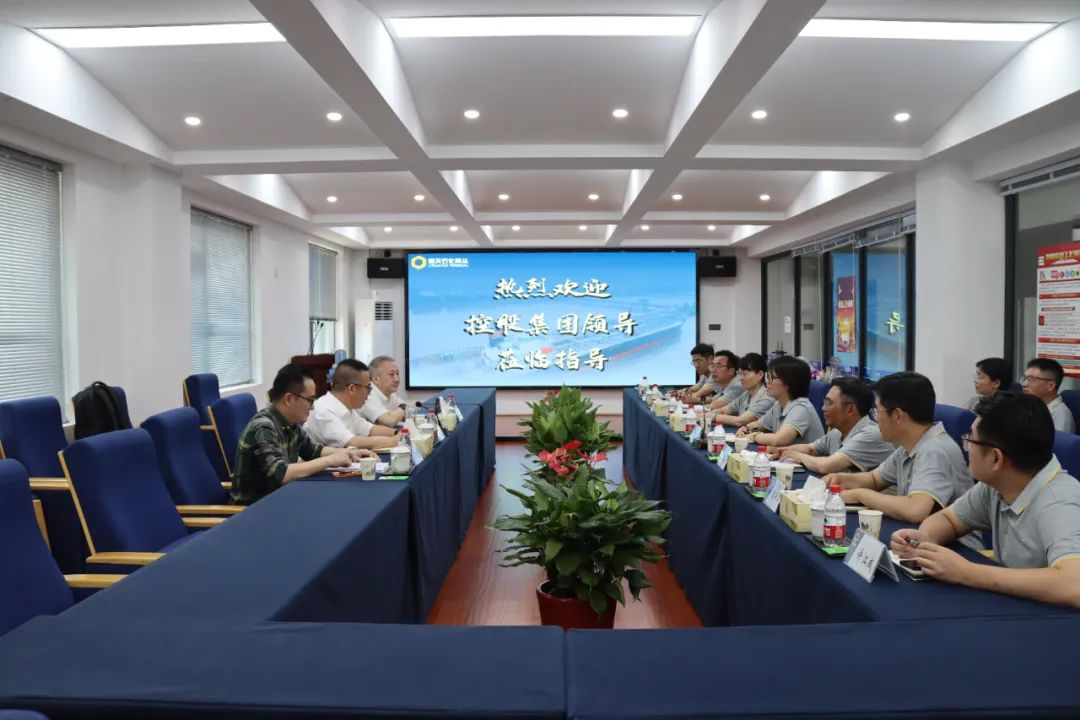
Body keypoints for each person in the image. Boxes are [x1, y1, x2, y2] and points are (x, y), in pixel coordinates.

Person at [892, 393, 1080, 607]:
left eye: (970, 440)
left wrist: (967, 572)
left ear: (995, 458)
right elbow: (949, 519)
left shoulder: (1059, 503)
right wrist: (924, 540)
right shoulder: (997, 483)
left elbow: (1074, 584)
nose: (966, 447)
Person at [824, 372, 972, 524]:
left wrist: (860, 495)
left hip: (949, 539)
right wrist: (840, 479)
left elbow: (915, 510)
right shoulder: (909, 446)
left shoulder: (934, 450)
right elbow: (874, 479)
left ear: (898, 415)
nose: (876, 418)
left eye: (877, 411)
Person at [231, 364, 375, 505]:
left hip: (281, 498)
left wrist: (349, 452)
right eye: (310, 400)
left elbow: (312, 450)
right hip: (255, 508)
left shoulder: (290, 422)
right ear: (289, 399)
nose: (312, 407)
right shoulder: (263, 427)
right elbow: (281, 474)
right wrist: (330, 460)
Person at [769, 376, 894, 474]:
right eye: (825, 402)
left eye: (829, 403)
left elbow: (826, 466)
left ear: (850, 409)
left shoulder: (870, 434)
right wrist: (783, 451)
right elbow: (811, 449)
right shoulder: (837, 431)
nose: (823, 408)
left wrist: (798, 456)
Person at [304, 358, 398, 451]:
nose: (370, 393)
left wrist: (397, 433)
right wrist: (393, 441)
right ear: (352, 389)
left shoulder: (347, 409)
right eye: (368, 387)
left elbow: (370, 430)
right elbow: (351, 442)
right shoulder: (324, 409)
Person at [739, 356, 825, 446]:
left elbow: (779, 440)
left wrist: (755, 436)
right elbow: (760, 424)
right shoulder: (779, 404)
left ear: (788, 383)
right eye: (768, 376)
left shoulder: (801, 408)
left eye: (771, 378)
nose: (767, 382)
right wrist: (746, 429)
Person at [710, 352, 775, 428]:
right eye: (740, 373)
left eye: (745, 374)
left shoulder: (767, 398)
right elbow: (723, 410)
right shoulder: (746, 394)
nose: (741, 378)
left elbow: (740, 421)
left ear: (760, 374)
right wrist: (706, 415)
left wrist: (709, 416)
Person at [1022, 358, 1075, 433]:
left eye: (1031, 379)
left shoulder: (1060, 414)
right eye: (1024, 379)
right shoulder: (1029, 406)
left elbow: (1058, 440)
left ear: (1051, 386)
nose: (1024, 384)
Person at [362, 355, 408, 427]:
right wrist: (402, 408)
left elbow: (407, 411)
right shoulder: (367, 394)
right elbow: (389, 420)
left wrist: (401, 410)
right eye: (391, 374)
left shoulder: (390, 394)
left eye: (397, 374)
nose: (397, 379)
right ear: (375, 379)